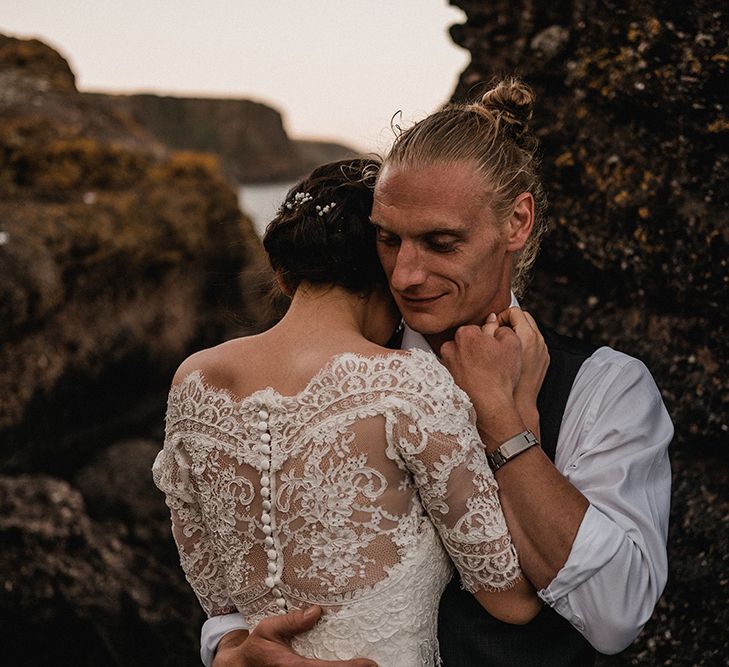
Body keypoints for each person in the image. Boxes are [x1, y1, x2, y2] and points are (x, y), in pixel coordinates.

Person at [203, 79, 672, 667]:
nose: (405, 275)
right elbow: (251, 560)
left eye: (440, 242)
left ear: (517, 222)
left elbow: (618, 612)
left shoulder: (606, 389)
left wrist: (503, 422)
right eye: (387, 239)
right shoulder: (339, 379)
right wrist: (230, 650)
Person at [153, 158, 546, 667]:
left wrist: (231, 648)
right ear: (386, 269)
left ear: (283, 272)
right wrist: (520, 408)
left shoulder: (193, 381)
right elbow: (512, 600)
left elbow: (219, 603)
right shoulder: (408, 385)